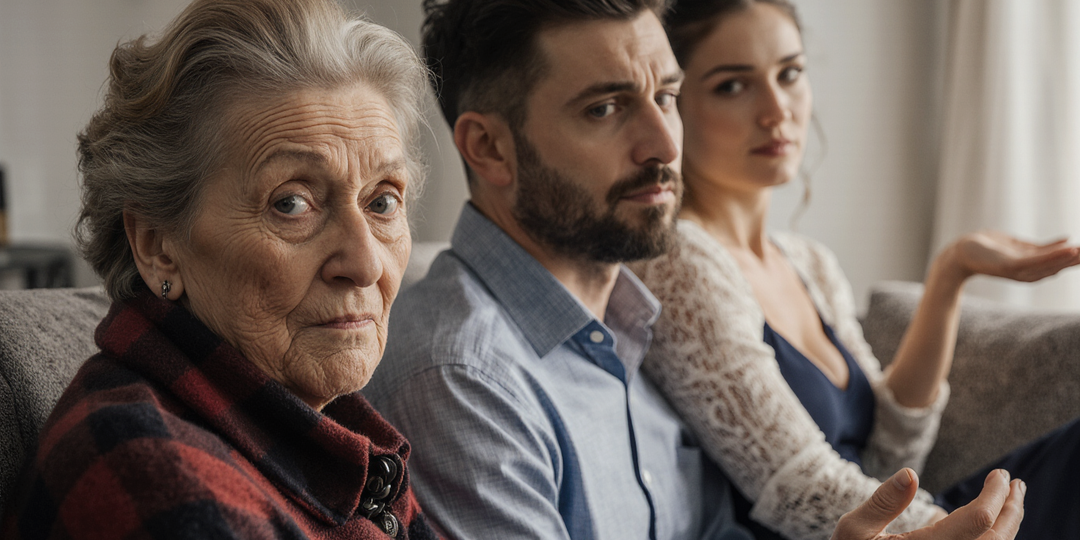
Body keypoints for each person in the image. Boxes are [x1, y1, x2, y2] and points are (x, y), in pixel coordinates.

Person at [365, 0, 1024, 539]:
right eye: (605, 108)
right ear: (489, 148)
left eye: (667, 96)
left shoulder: (634, 326)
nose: (664, 144)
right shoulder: (462, 378)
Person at [629, 0, 1080, 538]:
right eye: (732, 85)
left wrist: (950, 274)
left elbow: (893, 451)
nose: (777, 109)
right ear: (675, 106)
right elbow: (800, 489)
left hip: (907, 522)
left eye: (790, 73)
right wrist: (956, 529)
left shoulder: (809, 262)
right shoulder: (680, 260)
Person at [0, 1, 440, 538]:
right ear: (158, 245)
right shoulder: (156, 480)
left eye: (382, 203)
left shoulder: (330, 431)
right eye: (291, 203)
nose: (366, 262)